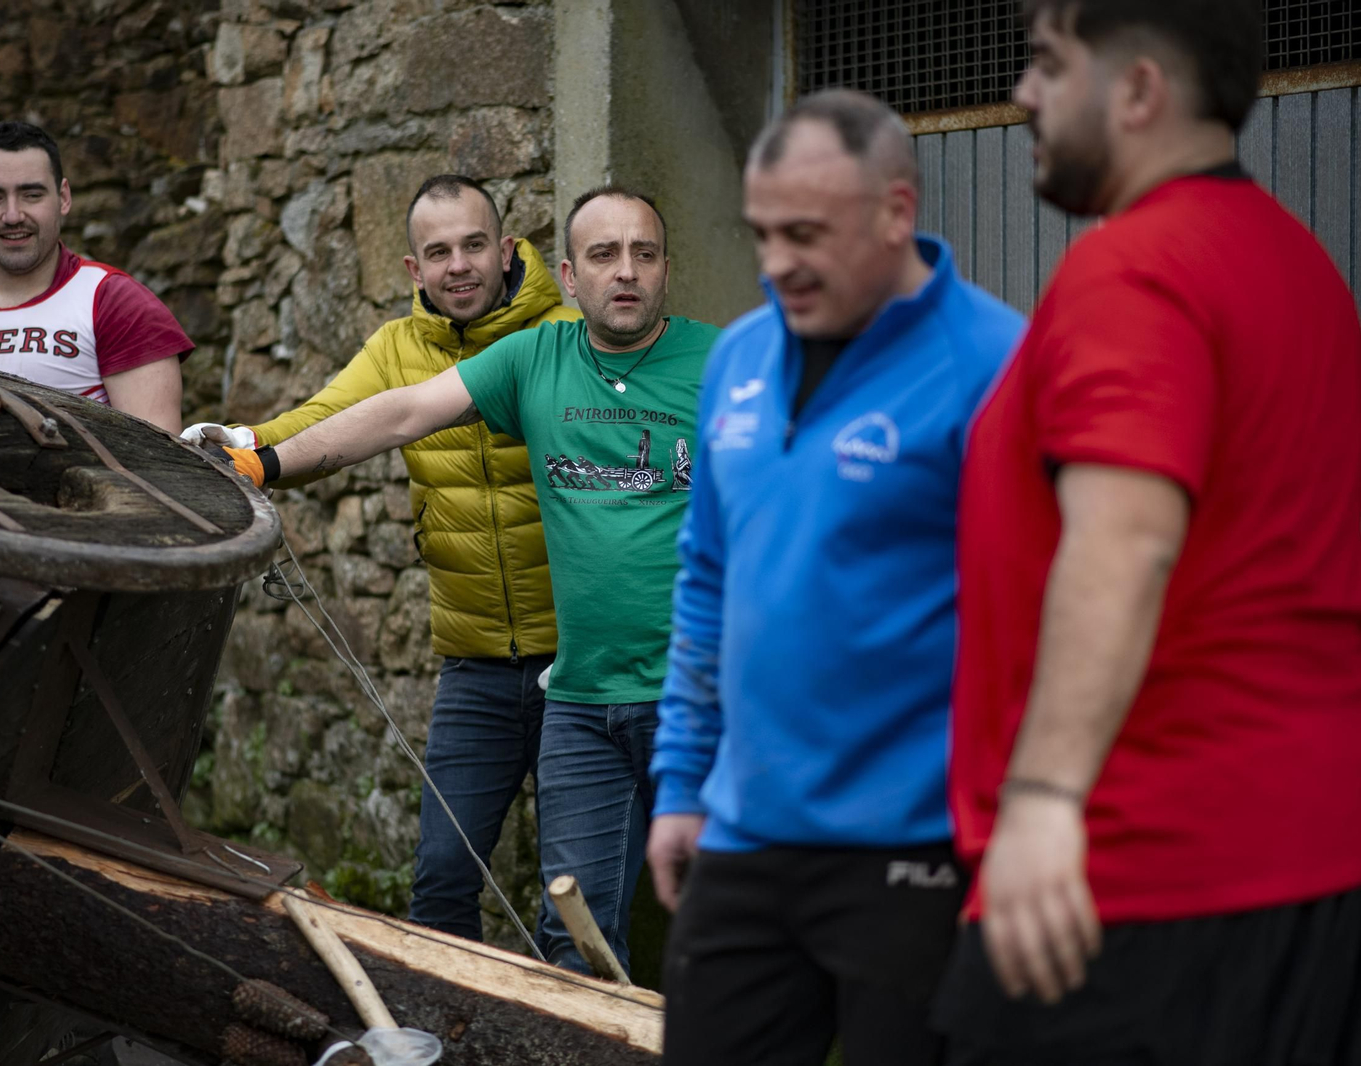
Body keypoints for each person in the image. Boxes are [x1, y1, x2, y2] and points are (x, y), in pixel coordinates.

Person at [936, 2, 1361, 1064]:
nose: (1022, 94)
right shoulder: (1299, 266)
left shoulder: (1132, 269)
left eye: (1049, 64)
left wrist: (1043, 800)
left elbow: (1126, 539)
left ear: (1137, 90)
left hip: (1136, 879)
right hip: (1323, 863)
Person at [203, 186, 720, 975]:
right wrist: (259, 463)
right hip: (581, 700)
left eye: (643, 254)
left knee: (737, 926)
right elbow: (397, 413)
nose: (626, 271)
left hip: (701, 698)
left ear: (666, 270)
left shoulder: (727, 364)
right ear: (571, 275)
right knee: (574, 939)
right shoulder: (534, 359)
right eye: (604, 255)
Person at [645, 90, 1023, 1065]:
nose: (776, 263)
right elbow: (706, 580)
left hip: (918, 848)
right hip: (744, 833)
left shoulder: (996, 366)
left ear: (896, 212)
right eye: (762, 233)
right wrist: (681, 780)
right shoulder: (738, 356)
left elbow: (1047, 625)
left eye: (805, 234)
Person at [186, 174, 577, 945]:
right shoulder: (398, 349)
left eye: (474, 245)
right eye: (439, 252)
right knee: (440, 880)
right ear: (413, 269)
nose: (458, 265)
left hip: (579, 663)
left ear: (507, 251)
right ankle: (435, 1017)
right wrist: (243, 446)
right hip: (475, 664)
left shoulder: (566, 334)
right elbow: (324, 418)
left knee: (575, 895)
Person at [0, 121, 191, 432]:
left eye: (31, 195)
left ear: (63, 198)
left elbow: (159, 454)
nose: (13, 216)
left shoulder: (116, 303)